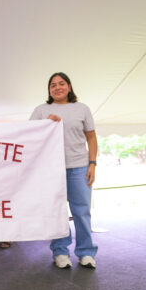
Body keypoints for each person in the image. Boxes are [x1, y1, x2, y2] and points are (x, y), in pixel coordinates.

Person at [30, 72, 98, 269]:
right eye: (53, 85)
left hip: (79, 166)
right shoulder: (41, 110)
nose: (57, 87)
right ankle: (60, 252)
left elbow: (91, 137)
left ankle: (86, 253)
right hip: (51, 170)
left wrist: (92, 163)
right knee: (56, 212)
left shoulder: (82, 109)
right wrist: (44, 124)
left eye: (61, 84)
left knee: (82, 212)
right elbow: (29, 136)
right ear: (49, 90)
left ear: (69, 87)